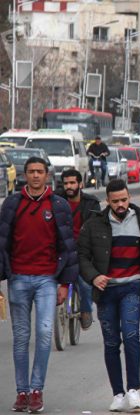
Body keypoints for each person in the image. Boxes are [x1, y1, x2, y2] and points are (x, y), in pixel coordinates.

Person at [77, 179, 140, 412]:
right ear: (107, 201)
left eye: (124, 200)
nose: (120, 204)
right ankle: (118, 393)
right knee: (111, 342)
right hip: (106, 291)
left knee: (131, 336)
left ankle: (133, 390)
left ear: (129, 197)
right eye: (115, 201)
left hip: (132, 288)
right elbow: (82, 256)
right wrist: (94, 277)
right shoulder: (93, 225)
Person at [0, 156, 78, 413]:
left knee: (44, 334)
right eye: (31, 171)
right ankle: (21, 392)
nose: (35, 175)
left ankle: (36, 390)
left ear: (47, 175)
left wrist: (65, 283)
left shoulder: (59, 205)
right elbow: (2, 243)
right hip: (18, 278)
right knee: (21, 337)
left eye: (40, 171)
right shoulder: (12, 204)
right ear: (25, 175)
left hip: (47, 279)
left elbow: (68, 246)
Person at [60, 169, 102, 330]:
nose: (69, 186)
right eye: (66, 183)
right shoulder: (56, 201)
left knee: (85, 285)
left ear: (80, 184)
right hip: (61, 252)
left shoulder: (91, 203)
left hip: (83, 253)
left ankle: (86, 311)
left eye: (72, 183)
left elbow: (97, 231)